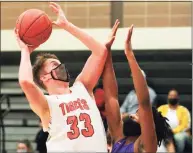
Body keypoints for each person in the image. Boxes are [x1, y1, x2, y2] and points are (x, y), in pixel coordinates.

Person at [15, 2, 117, 152]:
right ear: (44, 77)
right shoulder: (46, 104)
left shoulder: (82, 87)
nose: (61, 66)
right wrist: (25, 51)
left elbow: (100, 51)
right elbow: (25, 81)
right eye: (55, 64)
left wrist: (67, 25)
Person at [102, 23, 172, 152]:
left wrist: (129, 54)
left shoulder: (145, 146)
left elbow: (144, 104)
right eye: (135, 113)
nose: (132, 116)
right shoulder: (118, 138)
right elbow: (111, 96)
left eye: (138, 115)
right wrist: (107, 52)